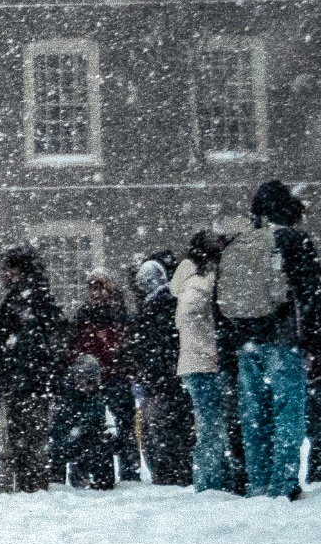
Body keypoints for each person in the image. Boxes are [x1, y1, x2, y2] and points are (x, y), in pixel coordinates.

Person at [215, 179, 315, 500]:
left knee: (255, 416)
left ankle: (257, 483)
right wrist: (313, 342)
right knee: (288, 412)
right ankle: (283, 485)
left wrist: (230, 346)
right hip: (284, 341)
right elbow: (311, 295)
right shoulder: (295, 240)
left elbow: (220, 305)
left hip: (246, 343)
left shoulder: (241, 242)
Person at [0, 247, 69, 494]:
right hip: (32, 382)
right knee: (30, 442)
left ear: (16, 270)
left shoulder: (23, 300)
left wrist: (10, 370)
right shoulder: (37, 297)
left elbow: (20, 343)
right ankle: (31, 486)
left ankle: (26, 488)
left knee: (22, 441)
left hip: (25, 382)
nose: (4, 274)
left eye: (7, 268)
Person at [176, 234, 239, 494]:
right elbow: (191, 316)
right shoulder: (203, 283)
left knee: (210, 424)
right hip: (205, 363)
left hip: (195, 362)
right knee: (213, 426)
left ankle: (212, 480)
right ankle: (212, 482)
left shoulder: (189, 282)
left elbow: (185, 319)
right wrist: (212, 349)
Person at [127, 258, 194, 486]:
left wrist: (149, 369)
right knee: (175, 429)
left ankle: (167, 474)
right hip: (174, 377)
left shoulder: (152, 308)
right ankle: (179, 471)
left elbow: (149, 346)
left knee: (159, 431)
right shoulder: (172, 302)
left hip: (160, 380)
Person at [68, 272, 140, 482]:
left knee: (124, 425)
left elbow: (126, 345)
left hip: (115, 376)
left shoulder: (119, 314)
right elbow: (77, 345)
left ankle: (129, 470)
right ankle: (93, 469)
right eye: (92, 287)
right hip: (94, 379)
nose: (95, 292)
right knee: (92, 426)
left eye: (99, 287)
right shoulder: (86, 314)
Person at [51, 354, 124, 490]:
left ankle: (99, 478)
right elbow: (59, 428)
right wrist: (76, 430)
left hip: (88, 438)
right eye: (84, 380)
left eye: (91, 381)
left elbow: (98, 418)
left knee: (103, 442)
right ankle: (59, 478)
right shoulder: (68, 399)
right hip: (70, 439)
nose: (87, 385)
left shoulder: (97, 397)